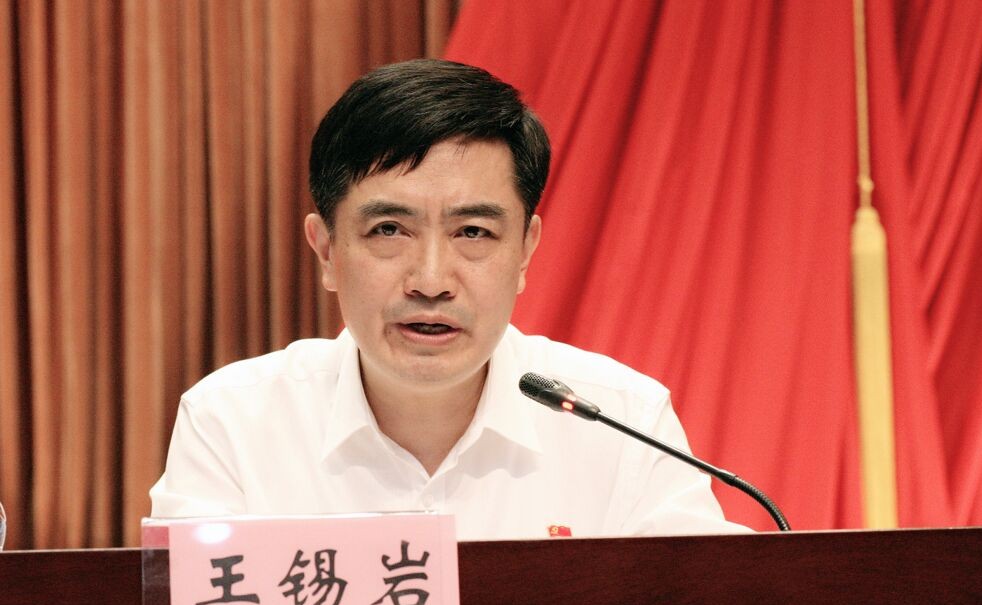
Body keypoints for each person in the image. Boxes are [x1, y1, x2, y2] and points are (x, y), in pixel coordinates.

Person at [150, 59, 747, 539]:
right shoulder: (233, 425)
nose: (432, 280)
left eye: (474, 232)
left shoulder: (623, 424)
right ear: (327, 250)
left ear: (525, 251)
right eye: (389, 229)